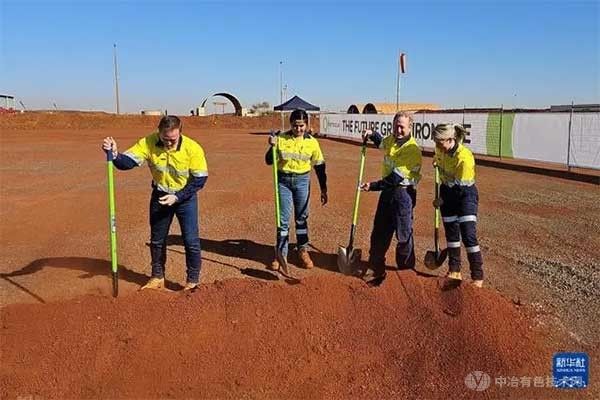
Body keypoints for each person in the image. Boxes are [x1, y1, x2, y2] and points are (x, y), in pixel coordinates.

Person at [101, 115, 208, 291]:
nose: (169, 143)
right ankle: (157, 277)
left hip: (185, 199)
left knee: (191, 241)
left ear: (180, 133)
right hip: (160, 196)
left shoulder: (193, 148)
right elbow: (127, 163)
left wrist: (178, 196)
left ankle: (192, 282)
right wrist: (114, 154)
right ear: (159, 132)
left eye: (173, 140)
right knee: (157, 240)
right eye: (165, 139)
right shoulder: (148, 142)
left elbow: (200, 180)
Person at [360, 112, 422, 281]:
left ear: (410, 128)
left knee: (403, 235)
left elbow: (395, 179)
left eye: (402, 126)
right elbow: (381, 143)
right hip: (388, 193)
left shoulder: (412, 150)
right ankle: (375, 266)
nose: (398, 129)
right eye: (396, 126)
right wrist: (371, 134)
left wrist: (372, 186)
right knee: (379, 231)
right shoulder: (392, 140)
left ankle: (406, 271)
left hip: (403, 194)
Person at [265, 109, 328, 270]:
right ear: (290, 124)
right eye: (295, 125)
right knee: (283, 221)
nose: (298, 129)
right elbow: (269, 161)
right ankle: (281, 254)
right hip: (283, 182)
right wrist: (271, 146)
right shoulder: (281, 139)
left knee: (301, 219)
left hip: (302, 181)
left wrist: (323, 188)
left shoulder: (312, 142)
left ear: (306, 125)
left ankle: (302, 250)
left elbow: (320, 166)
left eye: (301, 126)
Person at [432, 123, 484, 287]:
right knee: (452, 235)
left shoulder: (465, 157)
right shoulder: (440, 149)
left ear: (450, 139)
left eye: (440, 142)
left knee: (468, 235)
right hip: (447, 193)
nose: (438, 146)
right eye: (436, 143)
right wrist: (436, 164)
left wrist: (442, 200)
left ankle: (477, 276)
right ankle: (455, 270)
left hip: (465, 196)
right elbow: (438, 160)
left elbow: (460, 188)